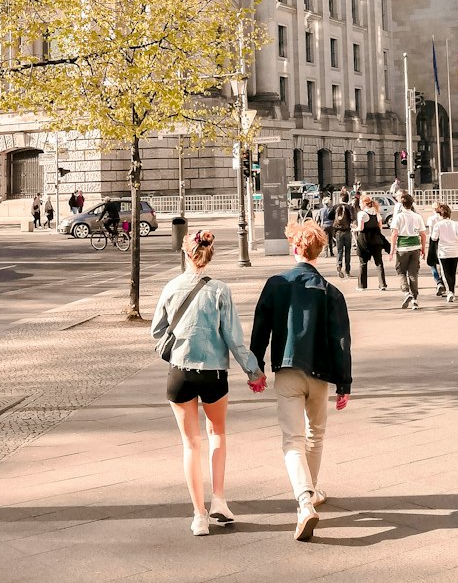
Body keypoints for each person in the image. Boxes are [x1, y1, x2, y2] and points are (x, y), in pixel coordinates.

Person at [151, 228, 264, 537]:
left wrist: (176, 353)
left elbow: (157, 331)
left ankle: (199, 515)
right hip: (213, 374)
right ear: (209, 255)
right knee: (217, 435)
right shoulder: (220, 291)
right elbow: (233, 338)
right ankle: (220, 500)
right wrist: (253, 371)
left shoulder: (171, 287)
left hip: (181, 372)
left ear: (186, 253)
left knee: (190, 444)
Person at [250, 219, 352, 543]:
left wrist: (256, 368)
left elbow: (260, 330)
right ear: (320, 251)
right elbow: (341, 341)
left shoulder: (276, 284)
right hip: (320, 377)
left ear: (295, 248)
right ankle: (311, 491)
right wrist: (344, 385)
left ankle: (304, 501)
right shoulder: (332, 292)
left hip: (288, 372)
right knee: (315, 436)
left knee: (292, 440)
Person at [389, 191, 428, 310]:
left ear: (401, 205)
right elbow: (423, 234)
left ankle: (406, 292)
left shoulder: (399, 217)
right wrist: (423, 248)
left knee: (401, 271)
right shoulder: (417, 217)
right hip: (415, 247)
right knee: (413, 273)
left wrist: (391, 250)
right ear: (412, 204)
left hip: (403, 247)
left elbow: (394, 234)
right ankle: (415, 299)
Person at [429, 201, 458, 301]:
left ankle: (450, 291)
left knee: (445, 272)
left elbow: (433, 238)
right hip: (454, 251)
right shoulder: (456, 224)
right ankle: (452, 291)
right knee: (452, 272)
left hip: (443, 252)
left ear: (440, 214)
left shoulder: (438, 225)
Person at [355, 193, 388, 290]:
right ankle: (382, 284)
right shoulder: (376, 213)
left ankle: (362, 285)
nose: (360, 204)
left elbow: (361, 228)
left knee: (363, 263)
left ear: (364, 203)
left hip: (365, 240)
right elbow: (380, 227)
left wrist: (354, 229)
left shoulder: (361, 214)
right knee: (379, 262)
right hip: (376, 240)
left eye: (360, 202)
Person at [331, 190, 354, 279]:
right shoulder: (349, 207)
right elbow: (352, 218)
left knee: (339, 250)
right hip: (347, 231)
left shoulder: (336, 207)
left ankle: (339, 265)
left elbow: (329, 216)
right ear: (347, 199)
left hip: (338, 232)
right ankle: (347, 271)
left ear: (340, 198)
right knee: (348, 251)